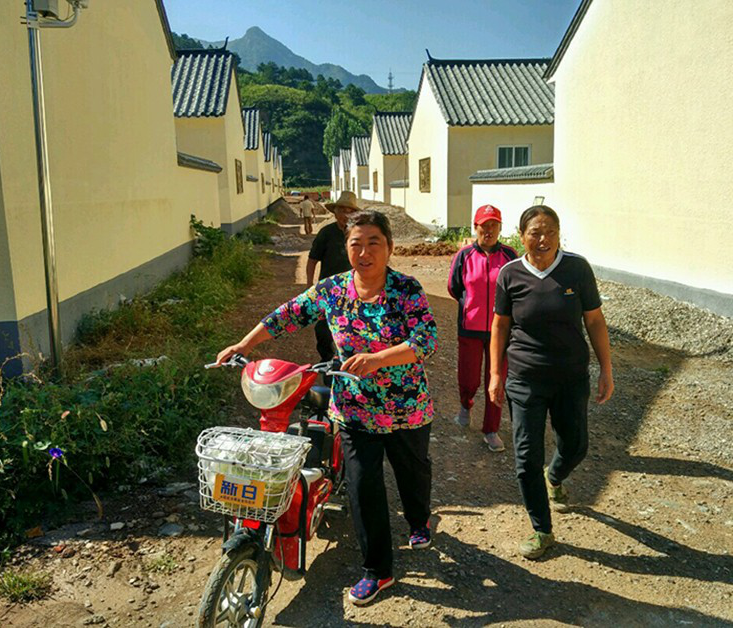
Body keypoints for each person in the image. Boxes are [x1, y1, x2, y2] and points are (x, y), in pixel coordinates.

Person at [216, 210, 438, 606]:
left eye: (373, 243)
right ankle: (378, 571)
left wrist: (377, 359)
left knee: (412, 472)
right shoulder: (333, 289)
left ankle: (418, 520)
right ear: (346, 248)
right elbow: (287, 315)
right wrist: (245, 344)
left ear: (389, 247)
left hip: (405, 407)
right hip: (353, 409)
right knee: (363, 487)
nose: (364, 252)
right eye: (356, 244)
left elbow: (426, 341)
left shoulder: (406, 289)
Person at [488, 205, 614, 560]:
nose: (543, 239)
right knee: (526, 456)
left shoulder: (577, 268)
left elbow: (594, 321)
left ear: (559, 234)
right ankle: (541, 529)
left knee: (576, 446)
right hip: (525, 378)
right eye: (535, 233)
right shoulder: (510, 274)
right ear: (521, 235)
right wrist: (496, 373)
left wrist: (606, 368)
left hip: (570, 377)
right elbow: (500, 324)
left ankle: (555, 477)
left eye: (550, 232)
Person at [447, 204, 517, 452]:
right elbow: (454, 287)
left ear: (500, 227)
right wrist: (471, 306)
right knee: (469, 377)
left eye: (493, 225)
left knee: (496, 379)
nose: (489, 230)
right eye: (484, 225)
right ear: (475, 227)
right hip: (471, 327)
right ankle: (465, 405)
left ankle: (491, 429)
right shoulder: (464, 256)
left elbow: (517, 288)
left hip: (501, 330)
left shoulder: (510, 256)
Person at [305, 190, 358, 361]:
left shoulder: (359, 234)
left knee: (353, 327)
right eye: (342, 210)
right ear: (335, 212)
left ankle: (349, 362)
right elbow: (312, 259)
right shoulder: (326, 233)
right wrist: (309, 284)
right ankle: (327, 361)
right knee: (323, 330)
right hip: (329, 290)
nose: (346, 215)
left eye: (350, 211)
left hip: (354, 290)